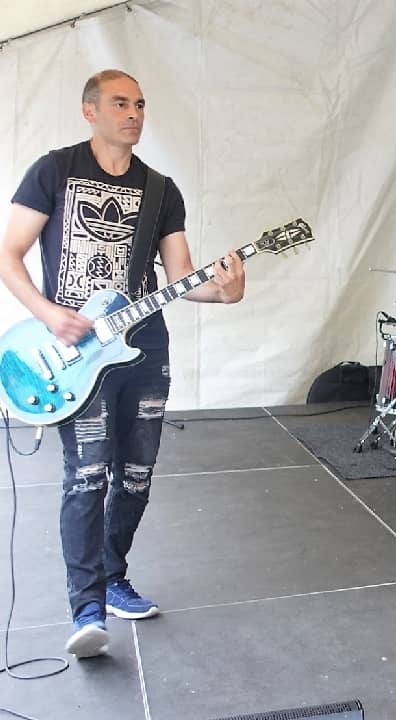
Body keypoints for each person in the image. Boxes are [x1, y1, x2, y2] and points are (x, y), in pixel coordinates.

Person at [0, 70, 246, 658]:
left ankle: (113, 575)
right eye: (120, 103)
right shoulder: (53, 170)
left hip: (142, 352)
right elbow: (8, 255)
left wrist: (227, 291)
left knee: (135, 475)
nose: (133, 113)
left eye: (140, 103)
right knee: (86, 475)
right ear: (90, 112)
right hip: (70, 355)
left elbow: (181, 278)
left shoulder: (161, 189)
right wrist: (49, 312)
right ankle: (84, 604)